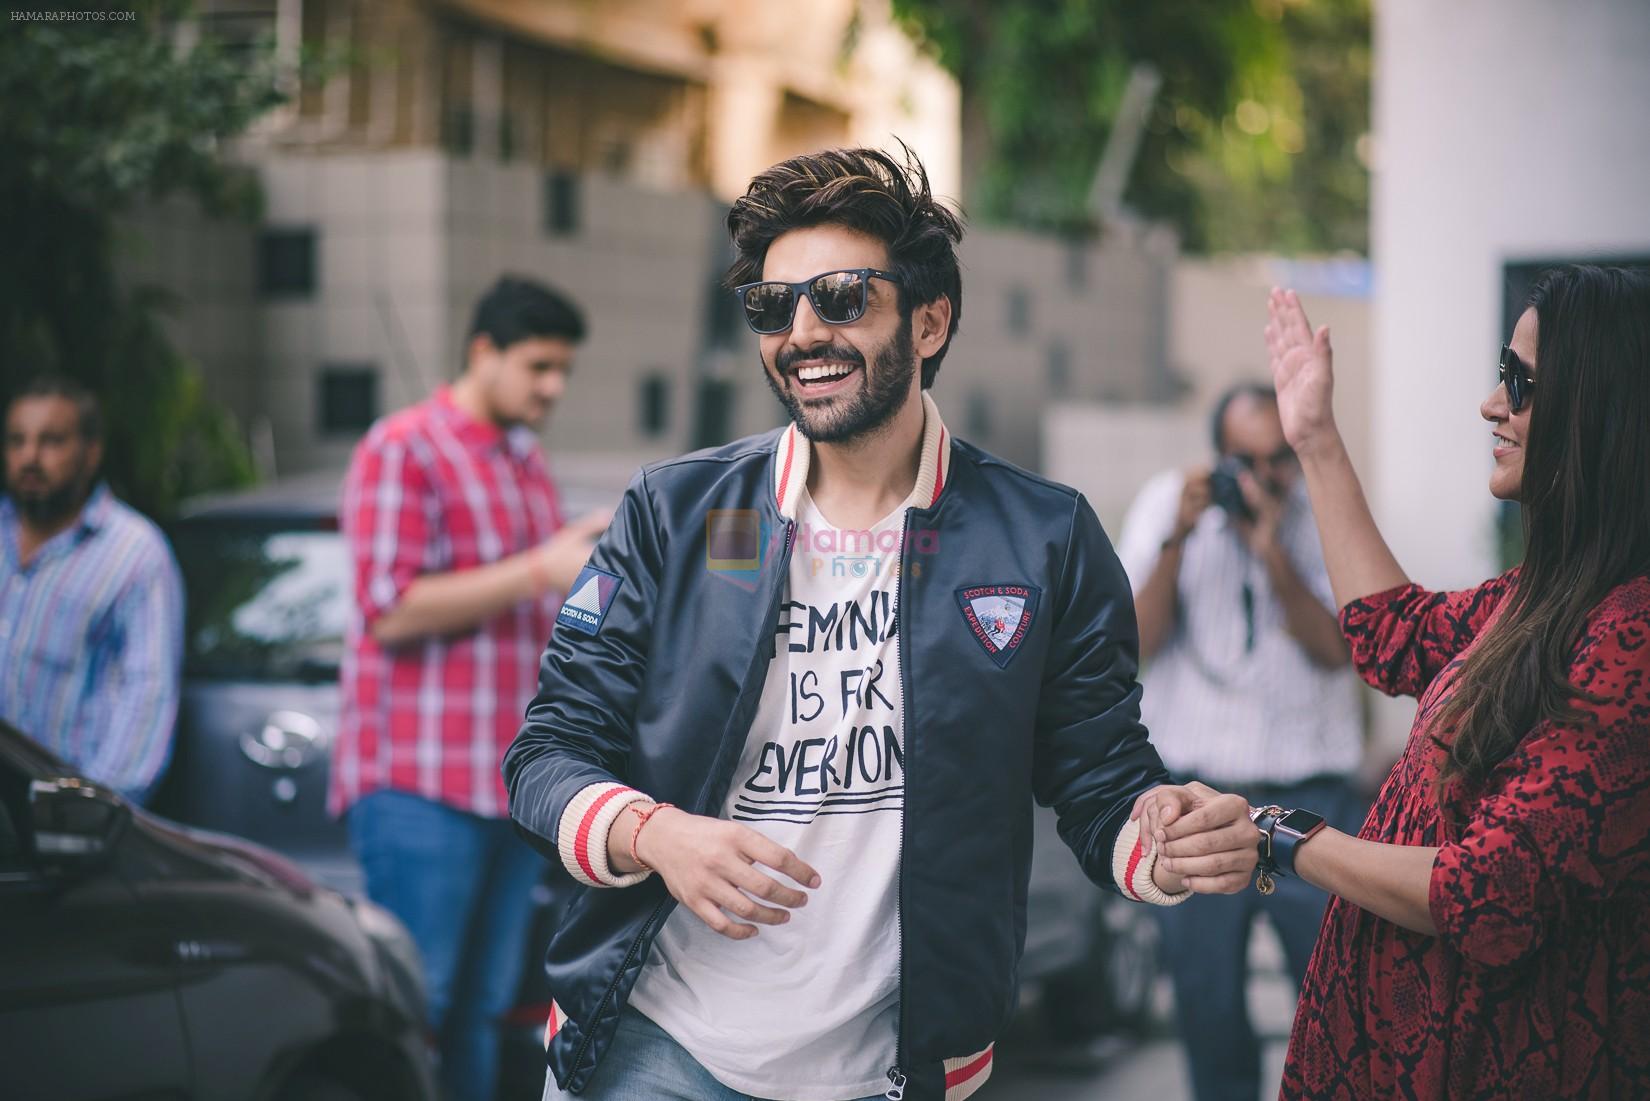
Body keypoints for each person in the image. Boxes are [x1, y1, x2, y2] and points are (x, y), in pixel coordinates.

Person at [504, 144, 1260, 1101]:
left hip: (887, 1073)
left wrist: (1169, 842)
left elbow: (1102, 781)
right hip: (653, 1050)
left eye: (844, 297)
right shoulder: (676, 511)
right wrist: (658, 835)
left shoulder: (1041, 536)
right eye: (774, 307)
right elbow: (546, 755)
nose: (803, 332)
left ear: (930, 317)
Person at [1157, 266, 1650, 1099]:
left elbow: (1487, 889)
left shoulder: (1631, 635)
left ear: (1597, 408)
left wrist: (1280, 834)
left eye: (1521, 383)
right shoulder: (1541, 598)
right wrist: (1314, 433)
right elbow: (1393, 631)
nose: (1493, 404)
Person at [334, 275, 609, 1101]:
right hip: (419, 786)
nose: (553, 387)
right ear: (483, 351)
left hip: (512, 787)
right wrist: (538, 568)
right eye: (538, 366)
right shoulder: (401, 446)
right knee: (423, 1004)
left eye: (563, 369)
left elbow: (540, 605)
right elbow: (388, 609)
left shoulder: (525, 459)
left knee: (486, 1011)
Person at [1114, 383, 1365, 1101]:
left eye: (1276, 459)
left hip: (1310, 799)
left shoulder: (1321, 508)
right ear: (1215, 457)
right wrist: (1178, 540)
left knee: (1337, 1007)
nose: (1261, 478)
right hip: (1198, 799)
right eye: (1243, 461)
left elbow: (1335, 649)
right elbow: (1135, 641)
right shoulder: (1172, 502)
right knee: (1208, 1004)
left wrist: (1272, 551)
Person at [0, 375, 183, 804]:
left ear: (91, 453)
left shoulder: (135, 554)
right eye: (16, 440)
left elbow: (147, 696)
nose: (30, 457)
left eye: (51, 441)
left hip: (61, 832)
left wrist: (90, 816)